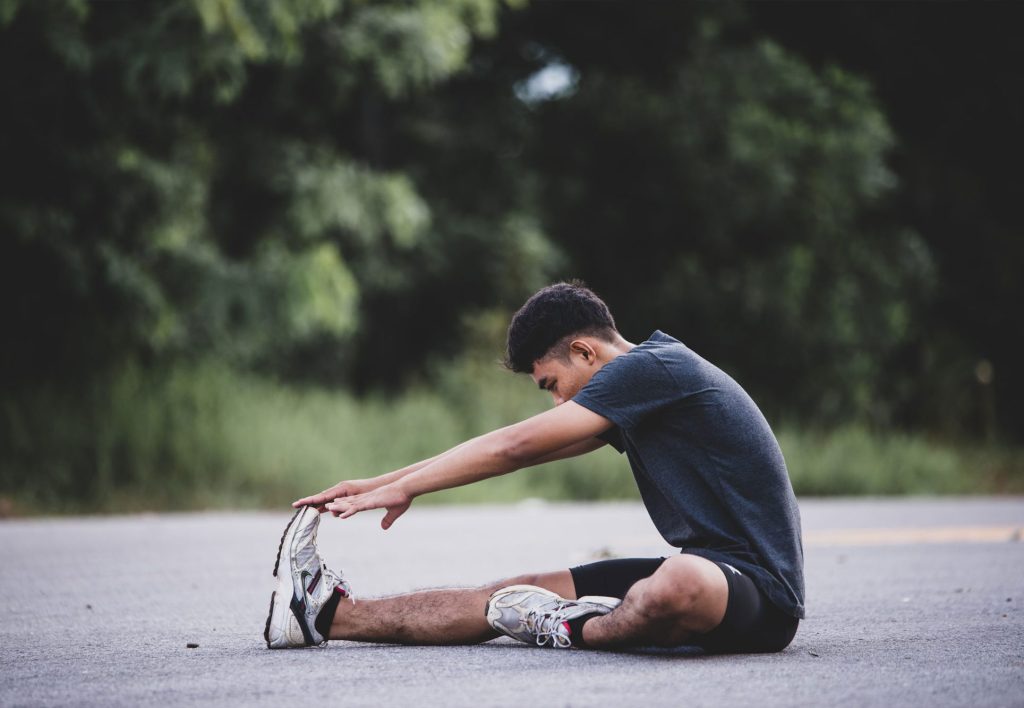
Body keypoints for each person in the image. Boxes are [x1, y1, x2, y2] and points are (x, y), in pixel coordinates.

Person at [264, 281, 804, 653]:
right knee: (515, 594)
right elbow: (523, 451)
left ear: (585, 352)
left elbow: (515, 446)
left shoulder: (654, 370)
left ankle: (578, 629)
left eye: (552, 384)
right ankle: (327, 615)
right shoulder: (638, 393)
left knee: (678, 580)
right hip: (712, 571)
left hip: (759, 596)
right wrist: (383, 483)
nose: (557, 403)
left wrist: (406, 489)